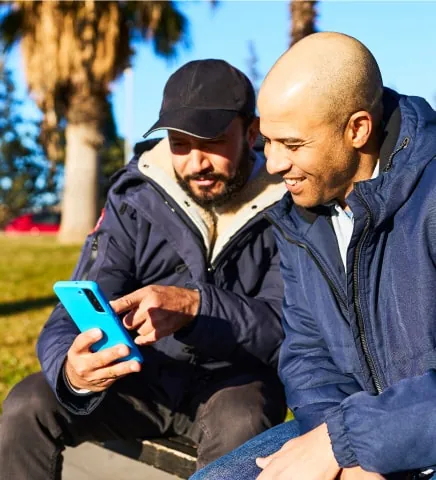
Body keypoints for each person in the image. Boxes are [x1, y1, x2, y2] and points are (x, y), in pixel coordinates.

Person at [0, 59, 287, 479]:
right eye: (180, 144)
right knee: (28, 403)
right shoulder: (136, 196)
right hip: (139, 378)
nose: (196, 163)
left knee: (242, 420)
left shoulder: (290, 206)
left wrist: (197, 308)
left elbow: (290, 329)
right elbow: (71, 314)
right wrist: (73, 371)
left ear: (252, 132)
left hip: (235, 385)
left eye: (213, 142)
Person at [191, 32, 436, 480]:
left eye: (292, 144)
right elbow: (307, 353)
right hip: (341, 431)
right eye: (268, 140)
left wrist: (353, 442)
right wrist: (346, 454)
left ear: (357, 129)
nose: (273, 163)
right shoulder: (299, 218)